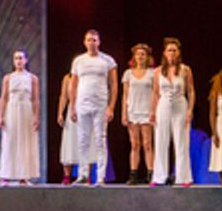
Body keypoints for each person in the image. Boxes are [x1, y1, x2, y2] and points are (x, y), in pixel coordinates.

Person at [70, 30, 118, 185]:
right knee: (83, 139)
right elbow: (73, 84)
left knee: (100, 139)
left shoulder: (107, 60)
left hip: (100, 104)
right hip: (82, 104)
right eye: (89, 40)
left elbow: (114, 85)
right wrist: (72, 106)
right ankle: (83, 175)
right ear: (84, 42)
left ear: (99, 42)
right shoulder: (78, 61)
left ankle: (101, 176)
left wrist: (111, 106)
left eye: (94, 40)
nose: (92, 43)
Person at [151, 37, 194, 186]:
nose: (172, 53)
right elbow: (155, 93)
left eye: (175, 50)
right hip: (163, 105)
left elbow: (191, 91)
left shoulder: (185, 69)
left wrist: (190, 110)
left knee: (181, 141)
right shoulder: (157, 71)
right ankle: (159, 177)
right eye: (169, 50)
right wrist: (152, 112)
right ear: (164, 52)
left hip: (180, 104)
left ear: (179, 52)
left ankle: (183, 177)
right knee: (161, 141)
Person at [0, 50, 40, 183]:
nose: (18, 61)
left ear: (26, 60)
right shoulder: (8, 78)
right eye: (16, 58)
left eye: (21, 58)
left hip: (26, 110)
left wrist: (36, 116)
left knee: (25, 142)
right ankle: (6, 174)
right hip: (12, 110)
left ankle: (24, 176)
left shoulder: (32, 78)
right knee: (10, 141)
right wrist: (1, 116)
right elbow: (4, 98)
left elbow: (35, 99)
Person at [120, 44, 155, 184]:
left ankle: (151, 174)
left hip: (146, 111)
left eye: (143, 54)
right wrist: (124, 113)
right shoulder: (128, 73)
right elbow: (125, 95)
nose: (140, 57)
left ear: (147, 57)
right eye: (138, 54)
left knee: (147, 144)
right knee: (134, 144)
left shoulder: (152, 73)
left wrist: (153, 111)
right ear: (134, 57)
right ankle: (133, 174)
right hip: (133, 111)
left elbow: (155, 93)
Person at [57, 72, 79, 184]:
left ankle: (85, 175)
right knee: (69, 142)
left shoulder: (86, 76)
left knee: (84, 143)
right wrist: (60, 113)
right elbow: (64, 96)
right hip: (71, 111)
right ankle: (67, 176)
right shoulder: (67, 78)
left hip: (84, 109)